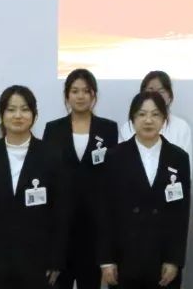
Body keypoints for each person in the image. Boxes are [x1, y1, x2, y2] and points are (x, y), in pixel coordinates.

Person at [0, 85, 69, 289]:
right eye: (11, 110)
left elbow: (60, 212)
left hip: (38, 260)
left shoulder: (52, 155)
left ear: (34, 115)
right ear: (1, 114)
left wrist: (56, 259)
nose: (18, 115)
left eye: (25, 109)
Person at [96, 91, 191, 289]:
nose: (148, 120)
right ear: (132, 119)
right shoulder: (114, 156)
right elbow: (104, 211)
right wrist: (106, 260)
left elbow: (181, 214)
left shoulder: (178, 157)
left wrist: (174, 260)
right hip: (124, 257)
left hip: (162, 257)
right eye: (142, 114)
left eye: (155, 114)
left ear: (164, 119)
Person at [41, 69, 119, 289]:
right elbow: (46, 176)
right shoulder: (53, 129)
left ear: (94, 95)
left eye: (86, 91)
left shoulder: (108, 128)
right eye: (75, 91)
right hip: (60, 228)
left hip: (94, 226)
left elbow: (113, 177)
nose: (80, 96)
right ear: (67, 95)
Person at [119, 70, 193, 162]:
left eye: (161, 91)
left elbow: (186, 164)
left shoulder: (182, 127)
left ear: (169, 96)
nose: (155, 95)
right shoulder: (127, 127)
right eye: (150, 90)